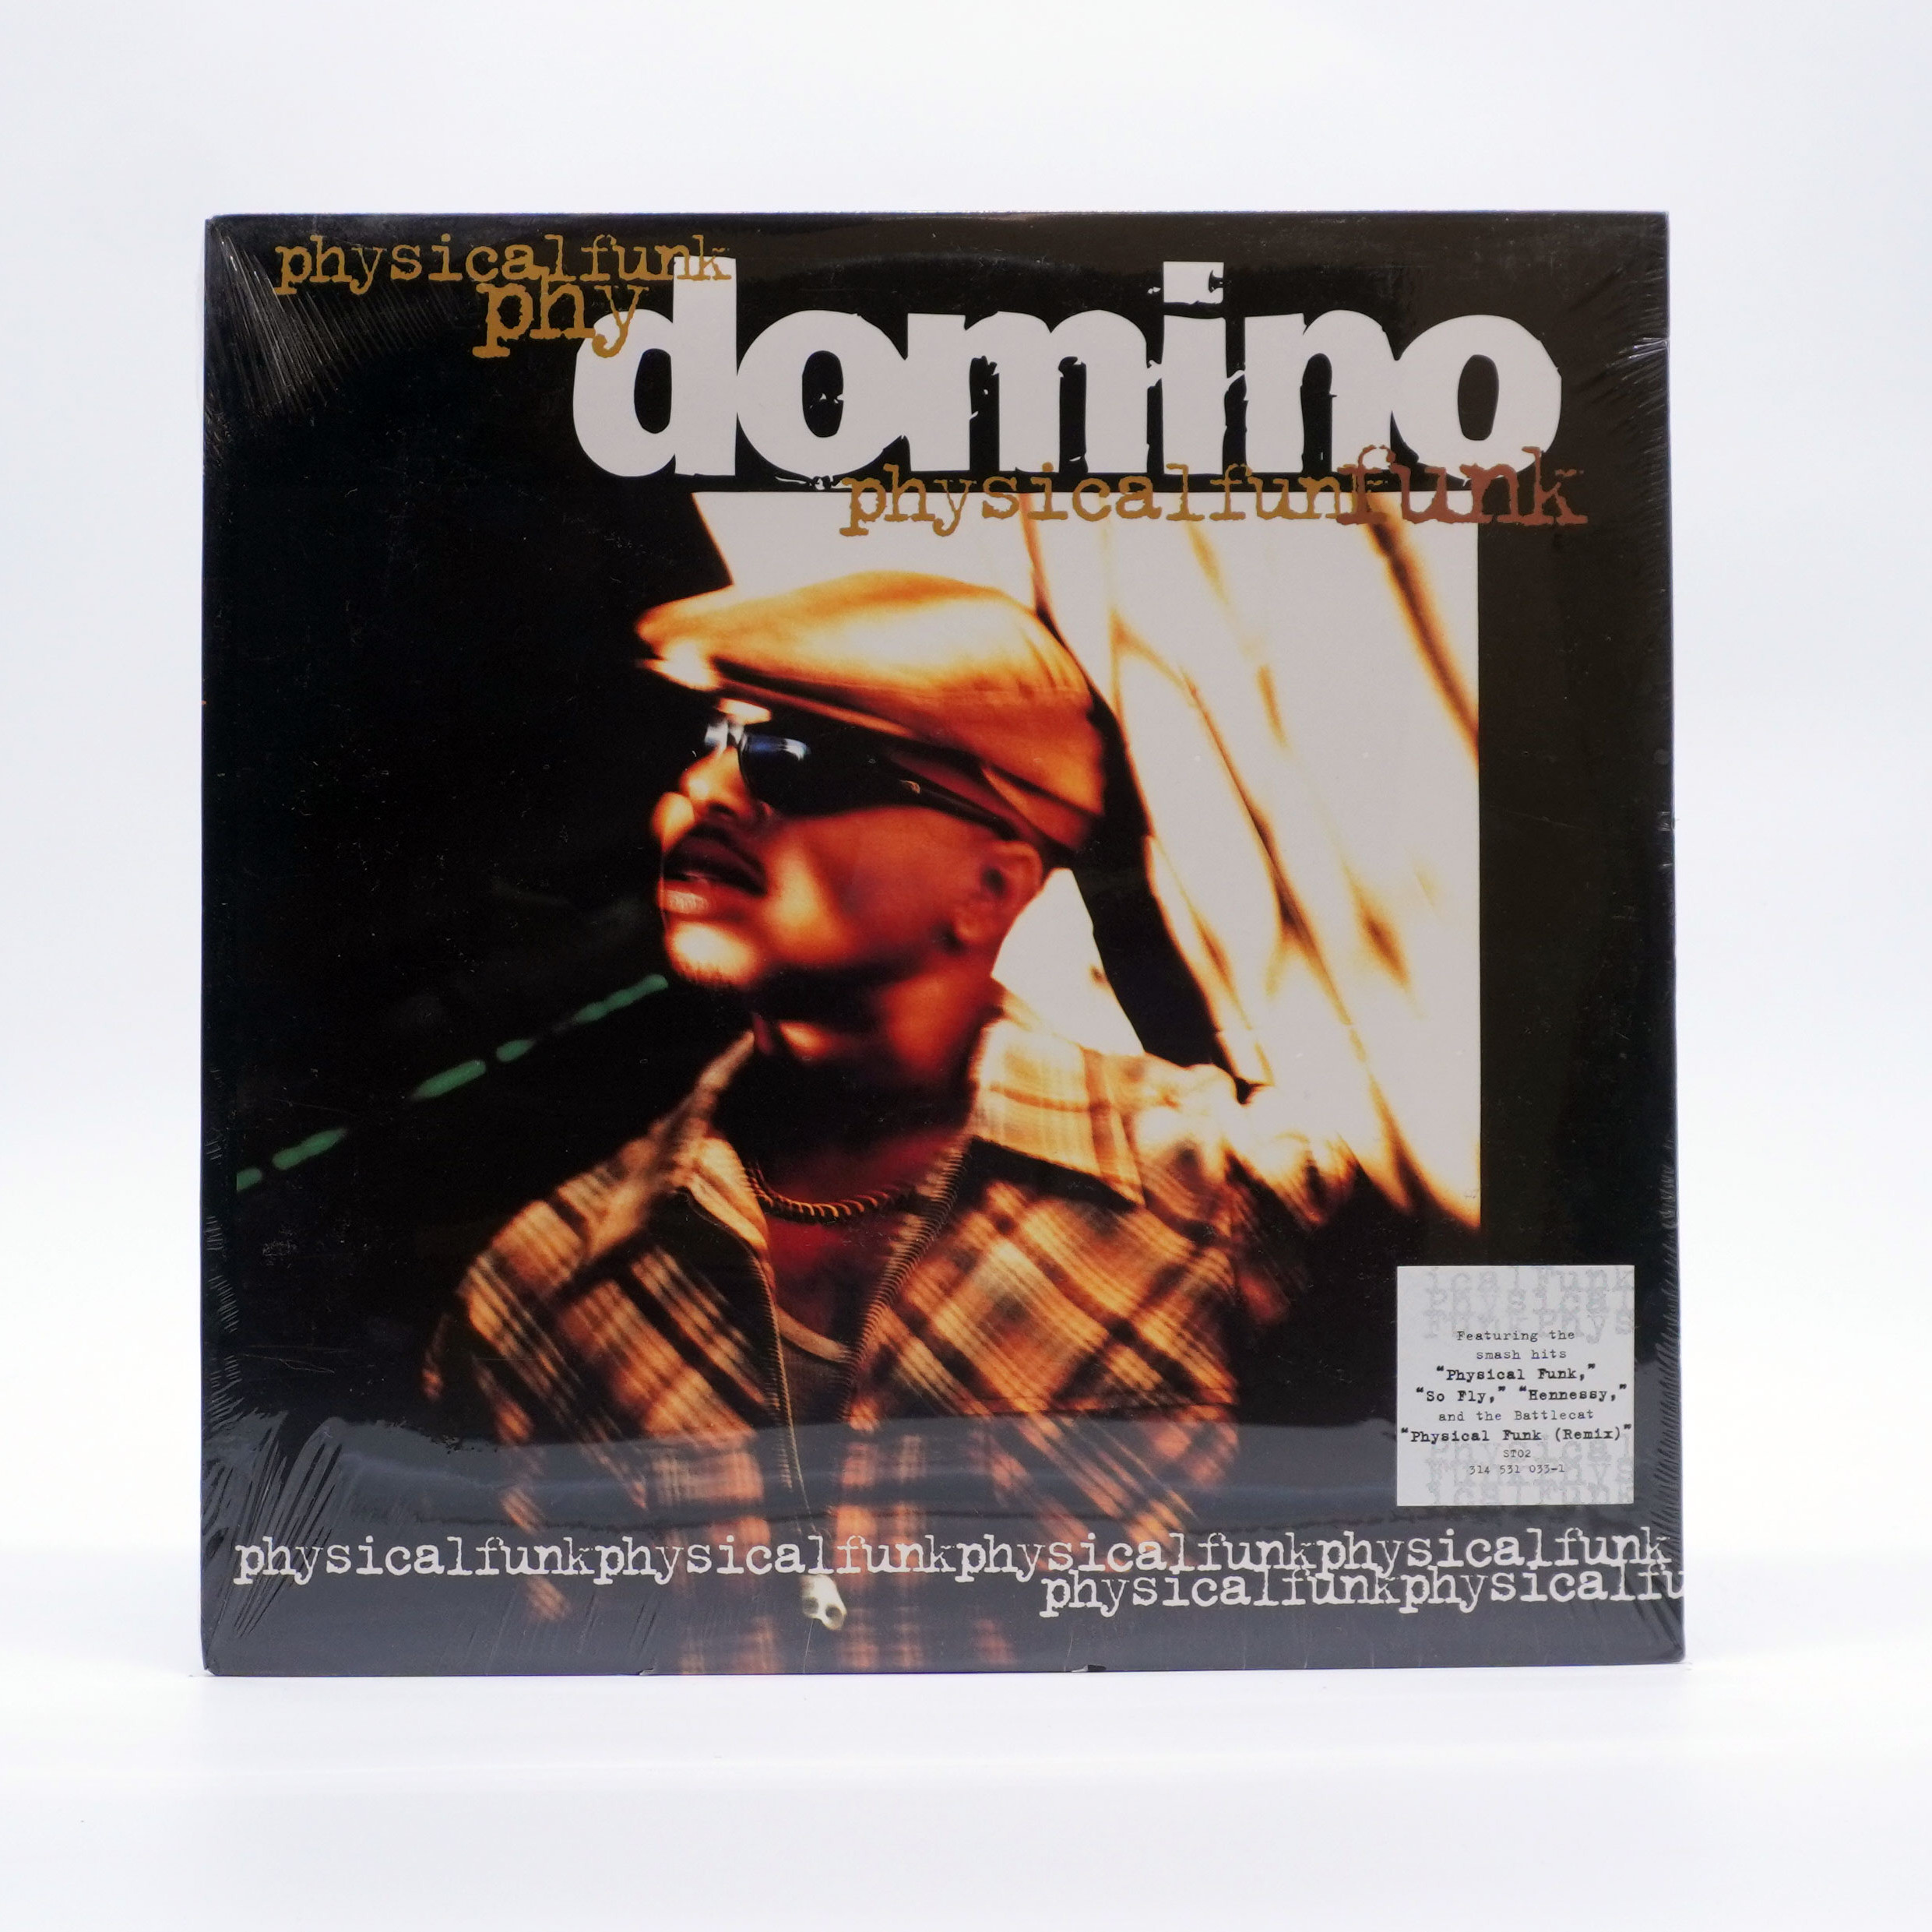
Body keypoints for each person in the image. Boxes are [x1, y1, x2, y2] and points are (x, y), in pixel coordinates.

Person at [426, 570, 1344, 1463]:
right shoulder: (521, 1308)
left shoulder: (1233, 1191)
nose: (706, 789)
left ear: (991, 888)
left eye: (797, 760)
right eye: (711, 739)